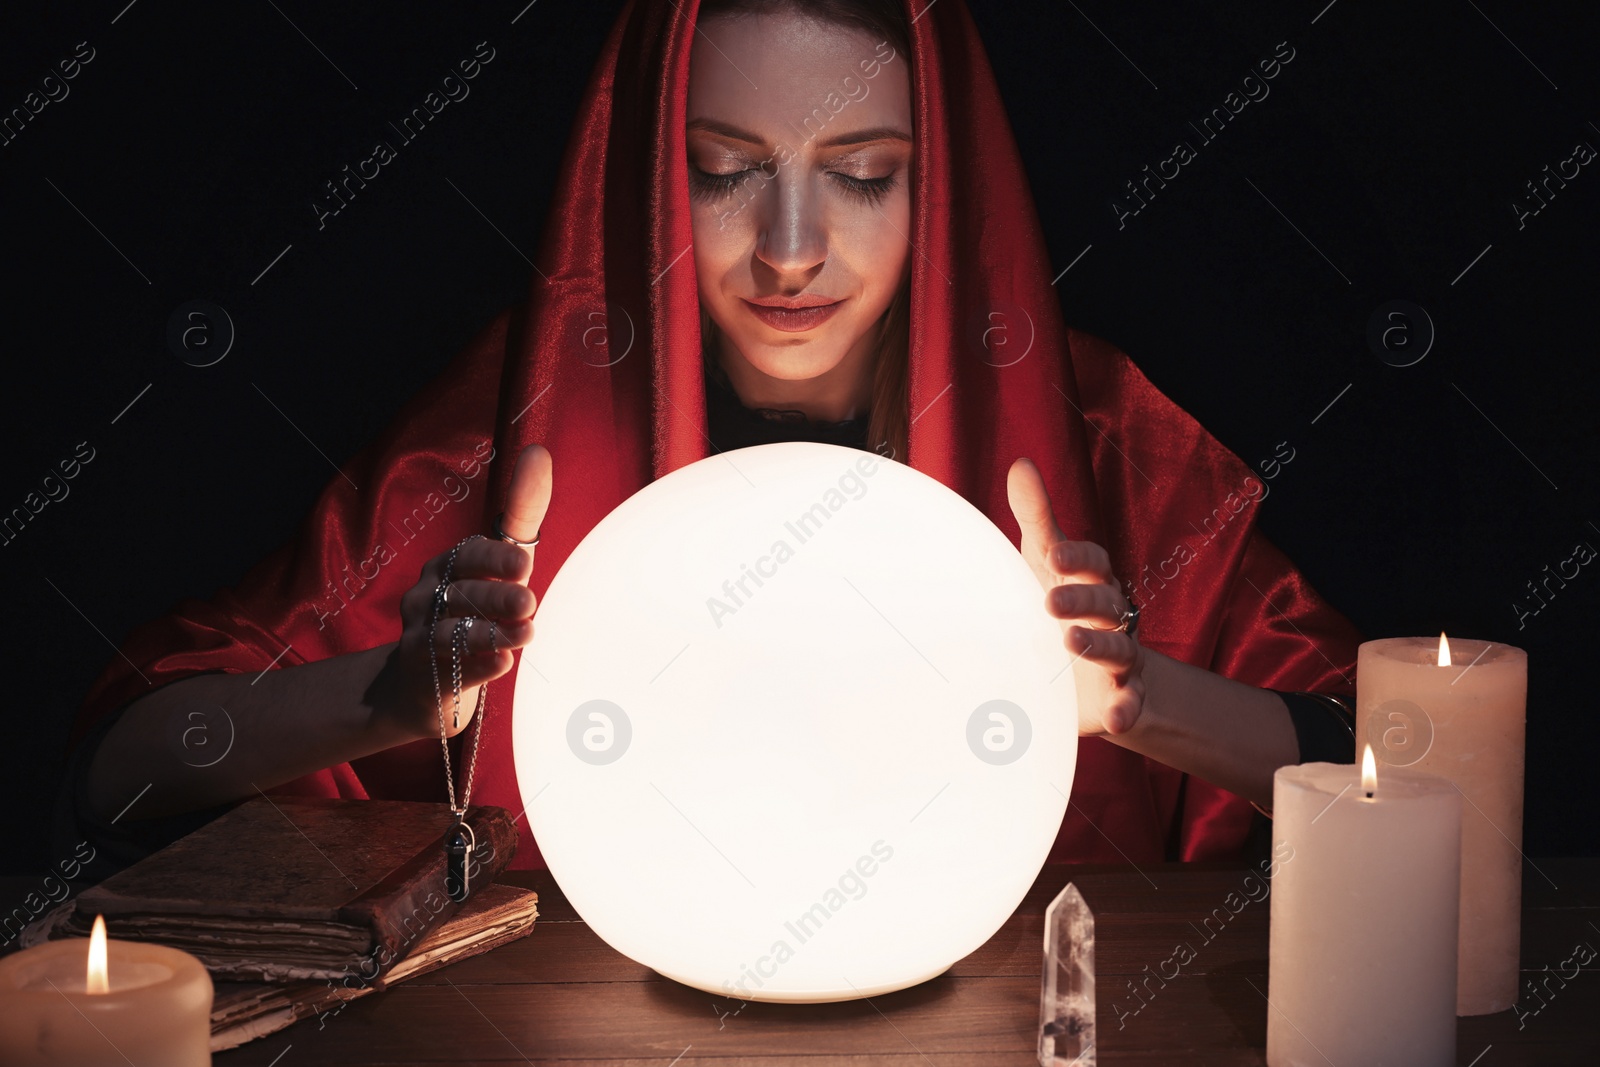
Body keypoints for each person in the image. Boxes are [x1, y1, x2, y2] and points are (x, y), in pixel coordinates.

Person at [59, 0, 1361, 879]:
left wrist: (1139, 701)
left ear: (943, 183)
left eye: (861, 173)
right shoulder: (514, 439)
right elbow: (125, 765)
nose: (791, 249)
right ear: (641, 174)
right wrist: (398, 697)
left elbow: (1400, 769)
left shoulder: (1095, 448)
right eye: (724, 167)